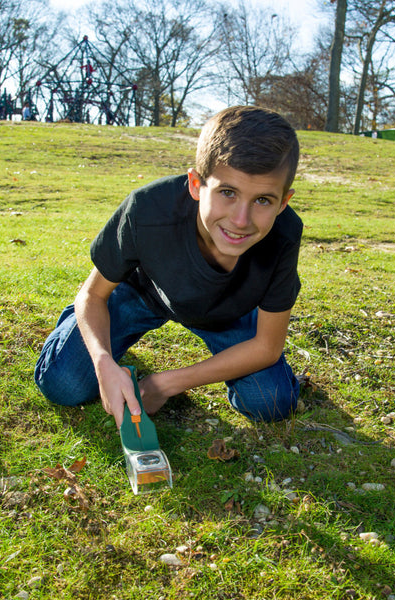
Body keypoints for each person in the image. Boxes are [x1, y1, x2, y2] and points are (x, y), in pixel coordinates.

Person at [34, 105, 304, 427]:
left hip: (226, 312)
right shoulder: (146, 211)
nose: (241, 220)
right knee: (62, 384)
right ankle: (94, 336)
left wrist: (166, 383)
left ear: (283, 202)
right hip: (143, 291)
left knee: (272, 402)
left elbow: (267, 346)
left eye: (262, 200)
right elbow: (92, 296)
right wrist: (103, 360)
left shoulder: (284, 234)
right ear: (195, 184)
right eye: (227, 192)